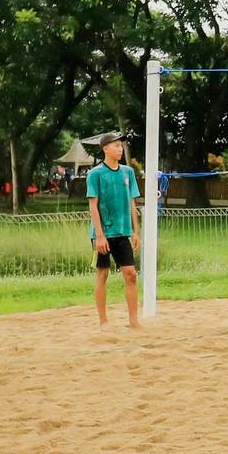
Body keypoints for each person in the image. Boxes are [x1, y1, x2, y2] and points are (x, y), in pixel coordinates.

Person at [86, 132, 142, 329]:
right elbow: (93, 206)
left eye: (121, 145)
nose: (120, 149)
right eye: (116, 145)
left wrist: (136, 232)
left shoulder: (128, 172)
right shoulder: (95, 174)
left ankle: (133, 321)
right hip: (103, 234)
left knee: (131, 274)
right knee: (102, 274)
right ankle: (103, 321)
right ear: (105, 149)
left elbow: (132, 203)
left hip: (122, 232)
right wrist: (99, 236)